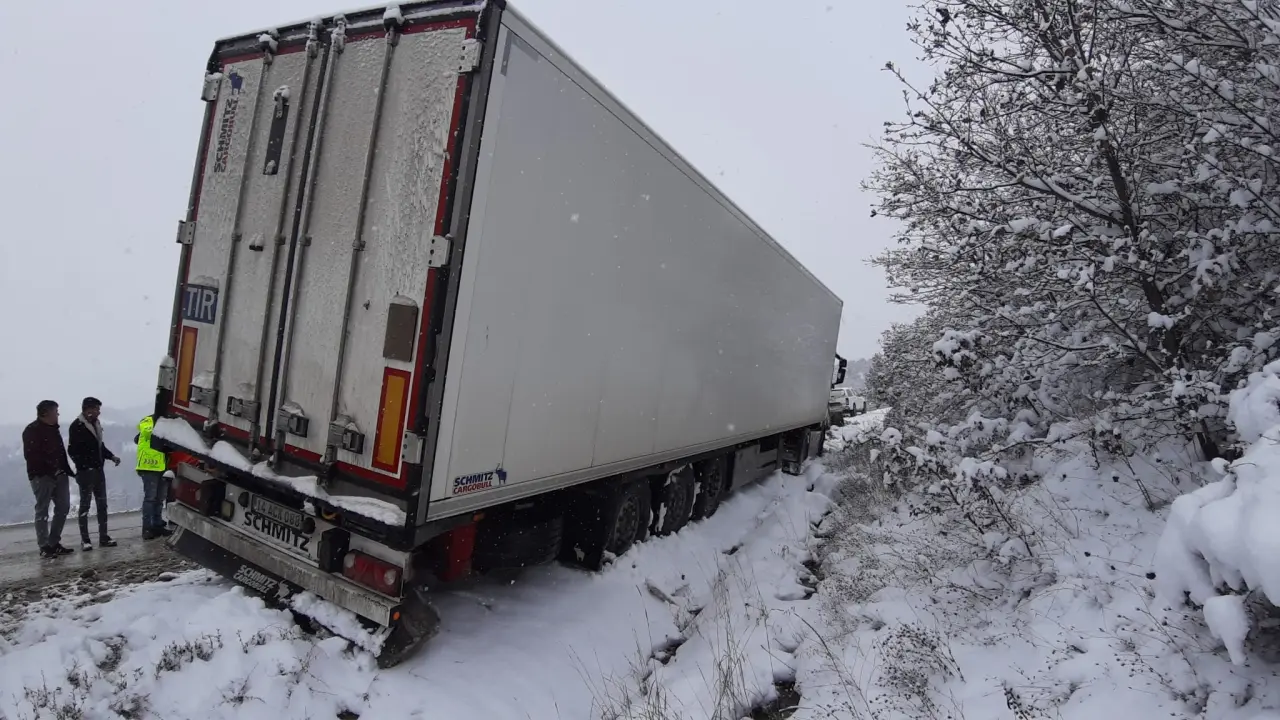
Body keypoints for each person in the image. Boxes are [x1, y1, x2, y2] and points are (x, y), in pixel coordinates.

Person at [22, 400, 75, 557]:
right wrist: (50, 468)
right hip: (42, 476)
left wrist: (67, 470)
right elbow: (32, 456)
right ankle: (44, 546)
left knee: (63, 507)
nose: (58, 414)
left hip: (60, 475)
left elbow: (60, 452)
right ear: (45, 413)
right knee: (42, 509)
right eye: (55, 411)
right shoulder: (32, 430)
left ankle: (53, 542)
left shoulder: (54, 429)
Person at [68, 397, 121, 550]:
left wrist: (111, 456)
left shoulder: (96, 424)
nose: (99, 412)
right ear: (88, 410)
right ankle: (85, 540)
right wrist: (83, 466)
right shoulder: (77, 426)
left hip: (98, 470)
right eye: (96, 409)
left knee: (102, 504)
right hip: (86, 472)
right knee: (85, 506)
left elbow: (99, 446)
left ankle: (103, 537)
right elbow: (72, 451)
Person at [134, 414, 171, 539]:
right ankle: (147, 528)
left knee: (159, 498)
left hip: (160, 466)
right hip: (150, 466)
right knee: (151, 498)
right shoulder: (150, 422)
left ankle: (156, 525)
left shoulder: (160, 423)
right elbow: (153, 438)